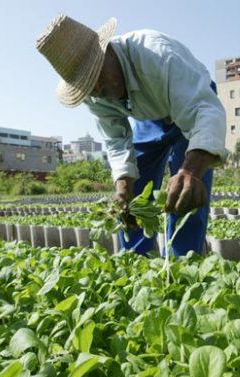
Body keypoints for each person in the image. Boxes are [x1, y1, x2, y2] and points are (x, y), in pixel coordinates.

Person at [36, 15, 227, 256]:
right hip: (148, 116)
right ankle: (135, 261)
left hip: (191, 103)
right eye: (86, 85)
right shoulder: (94, 93)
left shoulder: (158, 57)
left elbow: (205, 111)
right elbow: (116, 139)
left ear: (107, 53)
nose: (95, 90)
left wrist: (190, 171)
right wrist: (122, 187)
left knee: (186, 192)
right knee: (134, 200)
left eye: (95, 76)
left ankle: (184, 264)